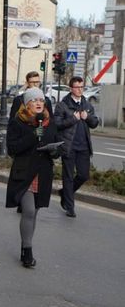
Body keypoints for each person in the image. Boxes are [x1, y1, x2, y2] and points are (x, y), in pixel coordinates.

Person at [6, 87, 60, 268]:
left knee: (35, 212)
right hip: (24, 172)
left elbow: (58, 145)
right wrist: (33, 136)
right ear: (27, 104)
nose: (39, 103)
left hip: (43, 172)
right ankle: (27, 251)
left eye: (41, 101)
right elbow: (12, 149)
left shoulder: (49, 123)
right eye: (34, 101)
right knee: (28, 210)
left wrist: (55, 150)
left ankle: (25, 244)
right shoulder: (17, 123)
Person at [54, 77, 99, 218]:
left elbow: (95, 123)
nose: (80, 89)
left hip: (84, 146)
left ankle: (65, 193)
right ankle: (69, 207)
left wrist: (88, 118)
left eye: (82, 87)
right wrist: (72, 119)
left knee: (83, 175)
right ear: (71, 88)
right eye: (77, 87)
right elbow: (57, 124)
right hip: (69, 146)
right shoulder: (63, 105)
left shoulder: (87, 104)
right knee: (67, 176)